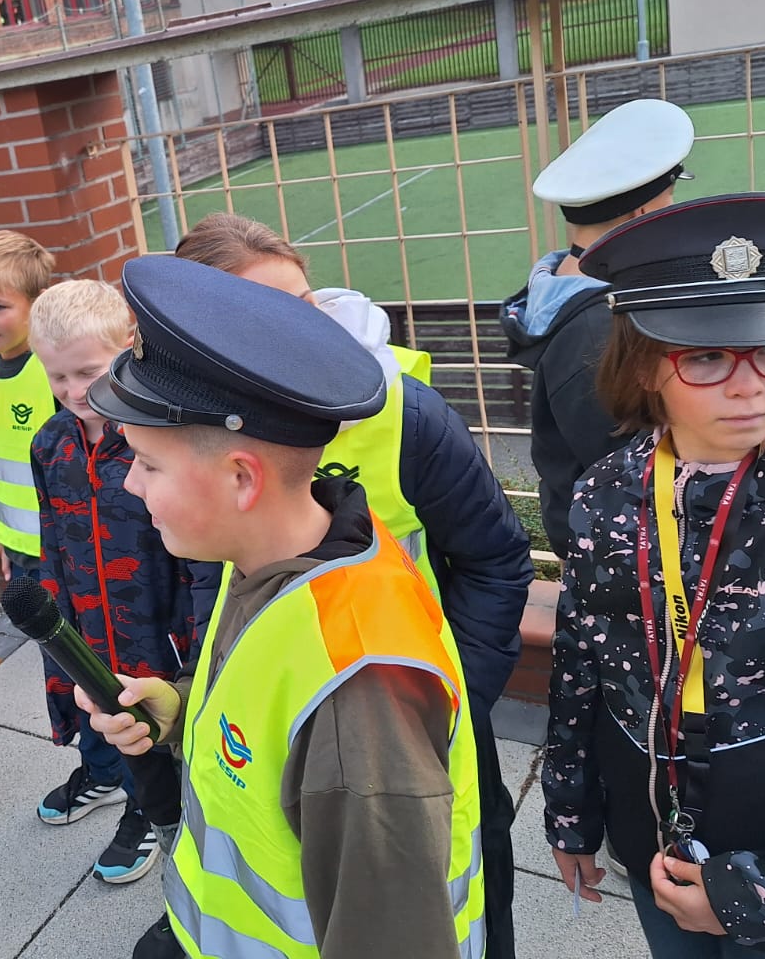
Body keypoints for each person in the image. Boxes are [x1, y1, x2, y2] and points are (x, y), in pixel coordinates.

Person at [78, 254, 483, 959]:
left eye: (148, 463)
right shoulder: (281, 553)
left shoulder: (360, 704)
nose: (130, 485)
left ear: (242, 479)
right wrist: (180, 709)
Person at [176, 210, 531, 958]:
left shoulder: (406, 412)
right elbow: (218, 584)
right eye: (267, 320)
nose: (306, 334)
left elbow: (496, 558)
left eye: (304, 306)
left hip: (403, 698)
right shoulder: (205, 435)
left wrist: (455, 698)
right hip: (287, 702)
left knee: (468, 869)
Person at [544, 192, 765, 957]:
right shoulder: (607, 492)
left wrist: (758, 895)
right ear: (643, 364)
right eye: (704, 356)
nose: (749, 386)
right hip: (653, 849)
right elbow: (580, 663)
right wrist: (570, 813)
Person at [27, 279, 206, 887]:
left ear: (128, 347)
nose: (73, 391)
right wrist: (56, 615)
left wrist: (193, 634)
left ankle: (150, 810)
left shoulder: (154, 438)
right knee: (98, 711)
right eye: (57, 376)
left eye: (88, 372)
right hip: (86, 619)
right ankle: (107, 777)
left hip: (157, 625)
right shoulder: (50, 443)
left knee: (153, 726)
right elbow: (52, 533)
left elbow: (195, 552)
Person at [501, 98, 696, 566]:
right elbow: (636, 470)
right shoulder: (600, 331)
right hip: (631, 564)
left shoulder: (574, 295)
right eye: (669, 201)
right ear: (641, 213)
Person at [0, 229, 57, 584]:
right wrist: (9, 542)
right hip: (19, 550)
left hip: (64, 555)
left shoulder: (56, 370)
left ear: (39, 304)